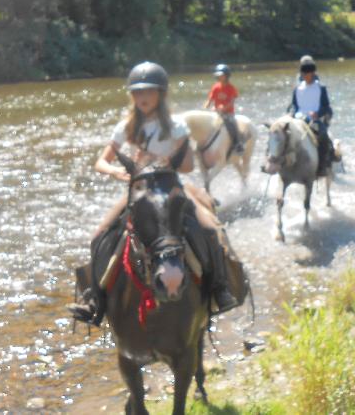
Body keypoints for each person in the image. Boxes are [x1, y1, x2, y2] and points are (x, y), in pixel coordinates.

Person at [67, 61, 238, 325]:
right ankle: (94, 300)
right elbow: (101, 161)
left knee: (209, 229)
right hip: (140, 190)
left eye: (148, 92)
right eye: (137, 92)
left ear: (161, 94)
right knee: (100, 234)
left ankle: (219, 288)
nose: (143, 97)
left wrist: (162, 159)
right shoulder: (125, 126)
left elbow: (189, 166)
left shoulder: (176, 125)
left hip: (172, 189)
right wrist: (116, 172)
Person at [288, 55, 334, 175]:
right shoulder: (297, 88)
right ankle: (278, 163)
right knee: (282, 134)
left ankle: (323, 166)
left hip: (314, 121)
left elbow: (326, 106)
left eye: (307, 73)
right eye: (303, 74)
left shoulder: (321, 88)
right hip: (298, 119)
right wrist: (291, 114)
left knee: (323, 136)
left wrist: (317, 113)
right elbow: (294, 105)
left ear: (313, 73)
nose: (304, 76)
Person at [202, 63, 244, 155]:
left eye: (222, 75)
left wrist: (223, 109)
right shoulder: (215, 87)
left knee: (232, 125)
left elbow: (231, 102)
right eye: (218, 76)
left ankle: (237, 144)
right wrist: (207, 105)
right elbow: (211, 98)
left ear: (227, 76)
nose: (220, 77)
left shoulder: (231, 88)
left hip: (228, 113)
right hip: (217, 112)